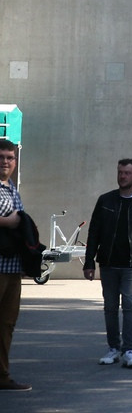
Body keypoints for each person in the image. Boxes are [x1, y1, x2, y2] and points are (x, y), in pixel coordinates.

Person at [83, 158, 132, 368]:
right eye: (120, 172)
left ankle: (129, 350)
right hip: (108, 262)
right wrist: (89, 262)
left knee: (130, 306)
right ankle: (113, 348)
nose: (122, 176)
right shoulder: (105, 200)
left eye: (127, 173)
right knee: (110, 307)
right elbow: (94, 232)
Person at [0, 139, 30, 391]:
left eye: (9, 157)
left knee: (7, 323)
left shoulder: (11, 189)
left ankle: (2, 375)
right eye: (1, 157)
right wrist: (9, 221)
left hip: (12, 267)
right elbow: (15, 222)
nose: (5, 162)